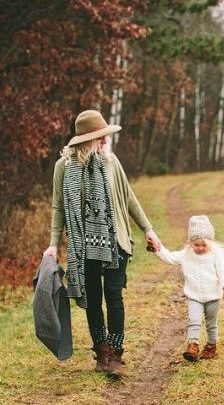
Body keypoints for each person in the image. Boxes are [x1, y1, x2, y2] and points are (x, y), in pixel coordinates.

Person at [43, 110, 160, 378]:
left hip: (115, 241)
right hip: (84, 247)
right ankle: (102, 351)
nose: (106, 141)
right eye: (101, 137)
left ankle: (116, 354)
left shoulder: (110, 161)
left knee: (115, 297)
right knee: (93, 300)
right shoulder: (64, 167)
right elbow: (58, 207)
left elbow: (128, 197)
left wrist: (148, 229)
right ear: (86, 140)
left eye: (106, 136)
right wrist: (53, 244)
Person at [151, 215, 224, 362]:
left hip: (213, 297)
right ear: (190, 243)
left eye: (203, 245)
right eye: (196, 245)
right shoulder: (186, 255)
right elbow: (169, 257)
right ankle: (193, 346)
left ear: (210, 242)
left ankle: (211, 345)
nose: (200, 248)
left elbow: (223, 272)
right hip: (194, 296)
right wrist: (157, 249)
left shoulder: (216, 255)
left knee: (211, 323)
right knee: (194, 320)